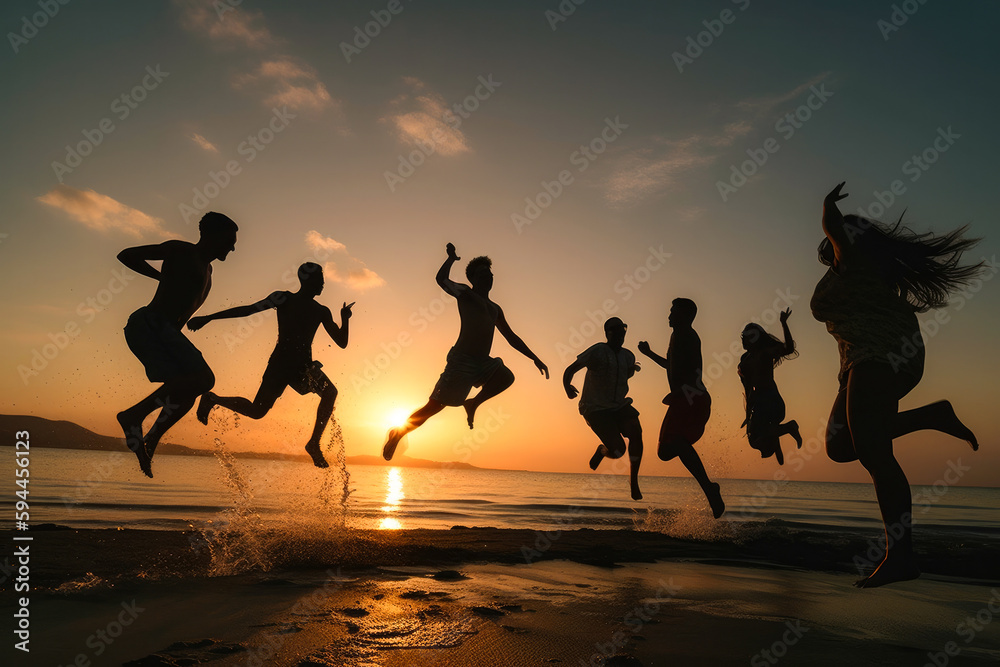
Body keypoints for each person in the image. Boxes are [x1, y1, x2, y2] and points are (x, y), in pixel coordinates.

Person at [811, 181, 982, 588]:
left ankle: (899, 556)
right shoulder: (858, 268)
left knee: (874, 451)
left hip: (879, 356)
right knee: (840, 445)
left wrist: (827, 208)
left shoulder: (849, 260)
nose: (826, 246)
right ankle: (931, 415)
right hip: (862, 361)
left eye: (830, 242)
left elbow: (836, 230)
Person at [383, 243, 549, 460]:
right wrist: (451, 258)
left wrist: (534, 358)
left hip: (483, 363)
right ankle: (399, 432)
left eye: (490, 273)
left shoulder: (495, 308)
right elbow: (441, 280)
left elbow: (511, 337)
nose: (488, 277)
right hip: (461, 361)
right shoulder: (466, 294)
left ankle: (473, 403)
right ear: (473, 279)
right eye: (482, 274)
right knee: (434, 407)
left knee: (506, 377)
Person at [186, 263, 352, 468]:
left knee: (330, 393)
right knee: (257, 411)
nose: (323, 284)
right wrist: (209, 317)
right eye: (320, 280)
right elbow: (248, 310)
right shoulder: (284, 298)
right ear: (308, 280)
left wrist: (345, 320)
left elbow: (342, 342)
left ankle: (313, 443)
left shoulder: (321, 311)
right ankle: (213, 398)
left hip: (303, 367)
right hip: (281, 364)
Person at [116, 211, 238, 477]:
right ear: (211, 235)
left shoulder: (209, 268)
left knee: (186, 395)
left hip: (165, 331)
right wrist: (159, 278)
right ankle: (133, 416)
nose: (233, 246)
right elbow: (126, 255)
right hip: (150, 324)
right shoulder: (181, 251)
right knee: (205, 378)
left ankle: (150, 440)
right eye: (229, 240)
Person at [638, 298, 725, 518]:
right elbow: (671, 365)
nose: (668, 316)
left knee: (672, 444)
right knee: (666, 450)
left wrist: (680, 393)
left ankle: (708, 487)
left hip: (691, 398)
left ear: (686, 315)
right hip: (690, 398)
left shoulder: (687, 336)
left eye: (672, 312)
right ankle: (708, 486)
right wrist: (649, 354)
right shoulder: (677, 336)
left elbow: (695, 371)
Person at [563, 317, 644, 500]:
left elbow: (623, 373)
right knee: (618, 451)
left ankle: (634, 481)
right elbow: (571, 369)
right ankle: (602, 450)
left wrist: (631, 370)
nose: (621, 333)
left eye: (623, 329)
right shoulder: (598, 350)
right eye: (615, 330)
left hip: (619, 405)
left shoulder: (628, 356)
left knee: (636, 431)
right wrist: (567, 386)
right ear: (608, 333)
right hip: (595, 407)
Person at [738, 309, 802, 465]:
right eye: (743, 337)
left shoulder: (764, 353)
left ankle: (789, 428)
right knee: (753, 440)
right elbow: (747, 388)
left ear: (755, 339)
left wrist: (784, 323)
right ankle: (776, 438)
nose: (743, 341)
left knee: (756, 437)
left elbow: (788, 349)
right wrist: (748, 414)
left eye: (747, 337)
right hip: (760, 402)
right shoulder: (744, 359)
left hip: (770, 401)